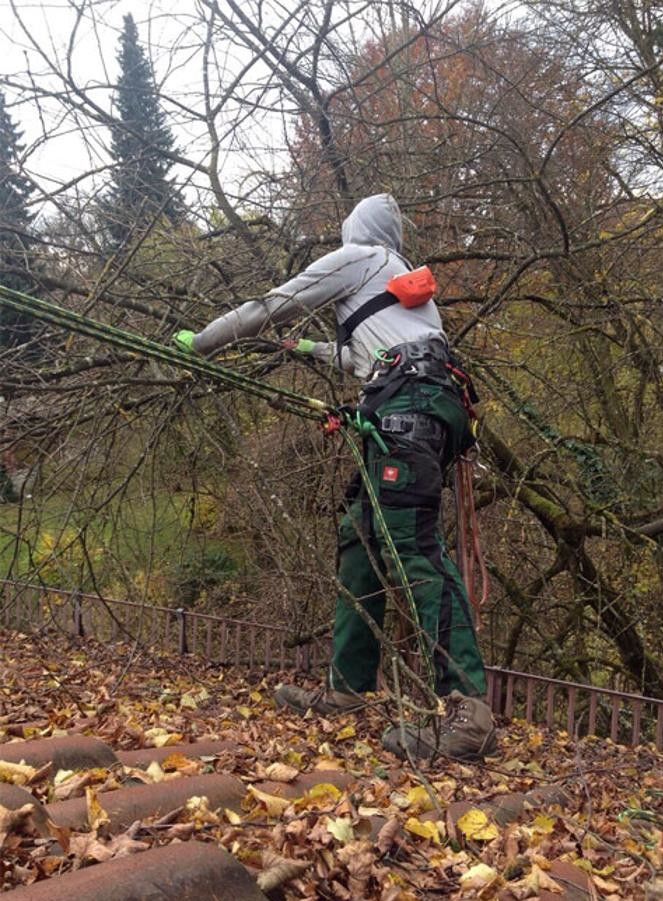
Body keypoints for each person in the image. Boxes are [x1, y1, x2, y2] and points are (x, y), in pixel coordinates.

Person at [175, 193, 496, 761]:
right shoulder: (394, 288)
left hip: (407, 415)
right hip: (418, 411)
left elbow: (272, 305)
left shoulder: (359, 257)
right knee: (361, 539)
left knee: (415, 550)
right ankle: (348, 689)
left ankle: (469, 711)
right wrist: (307, 347)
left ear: (356, 230)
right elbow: (360, 358)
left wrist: (201, 343)